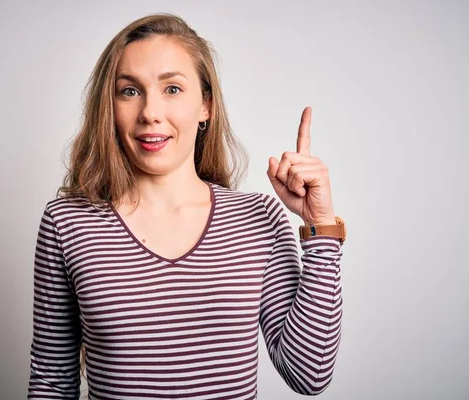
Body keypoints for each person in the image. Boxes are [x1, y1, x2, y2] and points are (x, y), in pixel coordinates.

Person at [27, 12, 345, 400]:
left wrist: (322, 226)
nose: (149, 112)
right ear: (109, 106)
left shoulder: (257, 218)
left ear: (206, 105)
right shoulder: (67, 223)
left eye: (172, 89)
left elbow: (308, 374)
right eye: (129, 90)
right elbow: (51, 382)